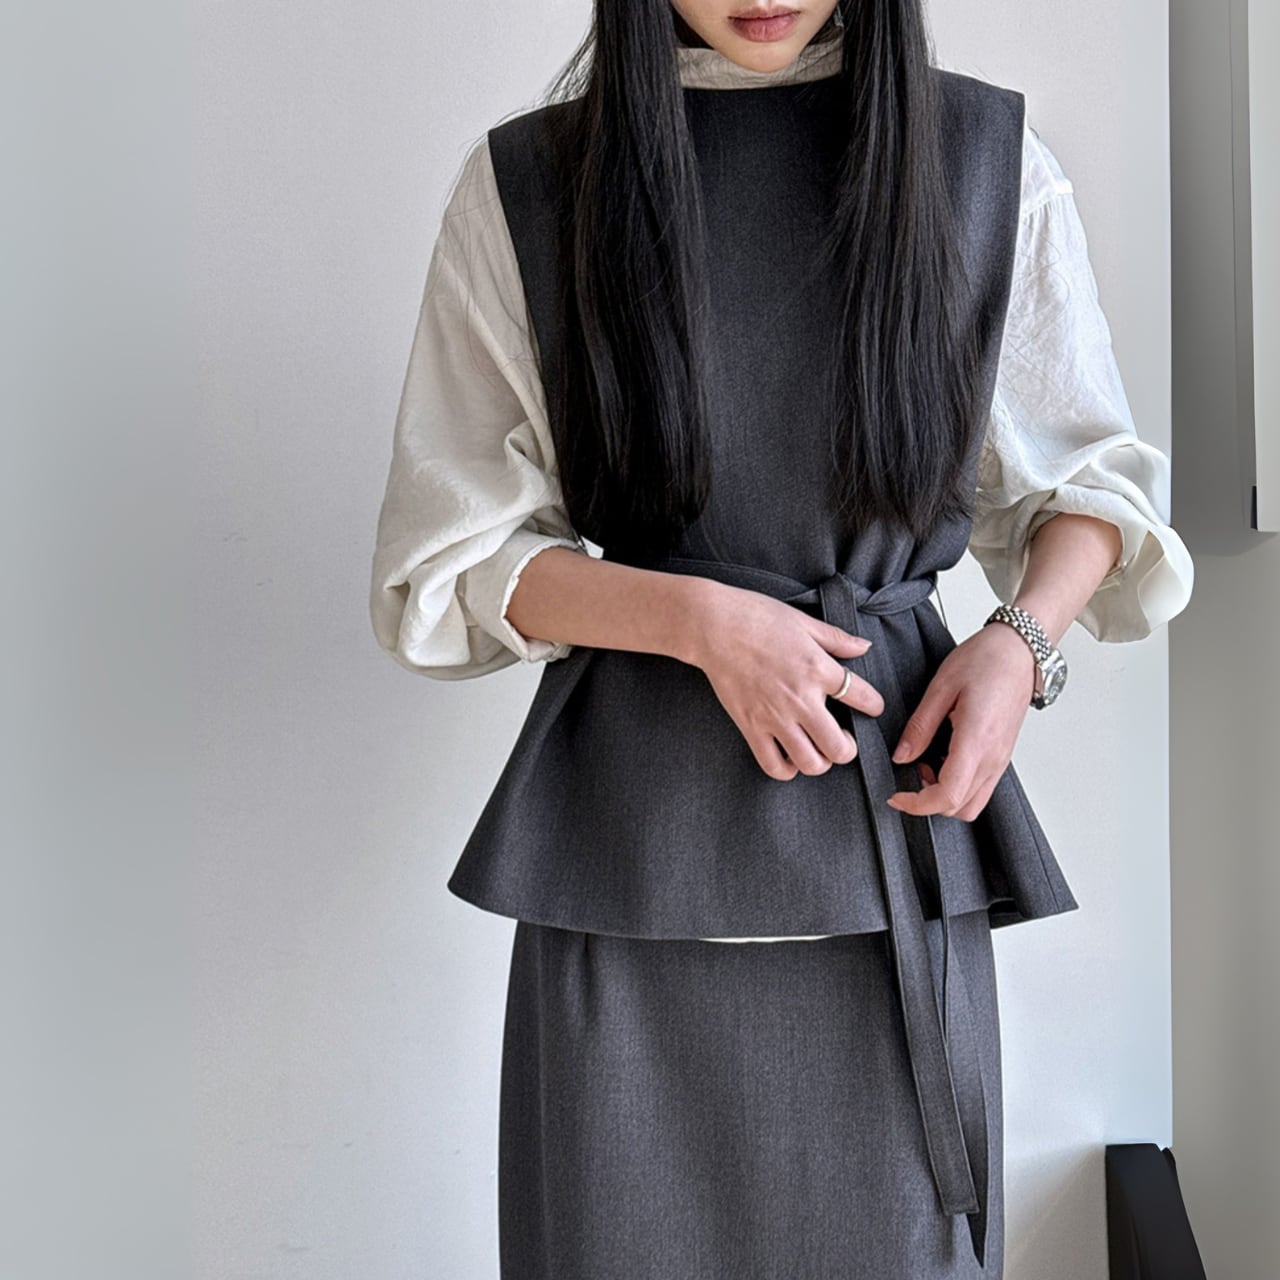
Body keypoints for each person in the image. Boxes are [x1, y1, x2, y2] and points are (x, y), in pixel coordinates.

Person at [369, 2, 1195, 1276]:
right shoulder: (532, 186)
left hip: (888, 860)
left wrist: (1016, 643)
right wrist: (694, 619)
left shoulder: (981, 165)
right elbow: (449, 554)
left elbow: (1087, 482)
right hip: (630, 874)